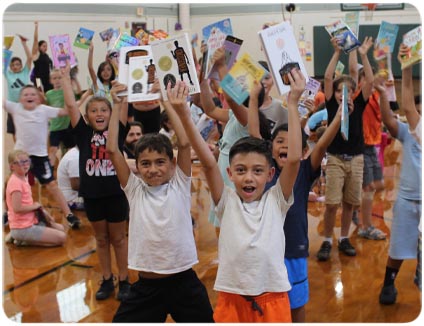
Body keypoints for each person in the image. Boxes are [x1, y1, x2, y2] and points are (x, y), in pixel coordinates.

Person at [173, 65, 304, 321]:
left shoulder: (277, 200)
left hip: (273, 299)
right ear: (230, 174)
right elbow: (209, 162)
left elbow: (294, 159)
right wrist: (184, 115)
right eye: (241, 170)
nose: (248, 177)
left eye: (257, 171)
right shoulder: (227, 200)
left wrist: (293, 103)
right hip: (231, 301)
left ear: (269, 175)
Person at [107, 82, 214, 323]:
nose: (153, 169)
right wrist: (116, 105)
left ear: (172, 164)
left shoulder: (179, 185)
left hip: (184, 284)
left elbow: (184, 143)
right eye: (145, 163)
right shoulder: (135, 190)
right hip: (147, 287)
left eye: (160, 162)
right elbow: (113, 150)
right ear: (137, 166)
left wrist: (165, 99)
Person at [248, 79, 343, 322]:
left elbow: (321, 144)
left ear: (301, 151)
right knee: (264, 304)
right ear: (270, 148)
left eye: (291, 142)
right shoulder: (263, 170)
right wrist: (252, 99)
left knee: (296, 304)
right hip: (264, 250)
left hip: (294, 249)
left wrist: (340, 114)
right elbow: (254, 133)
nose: (285, 144)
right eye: (279, 141)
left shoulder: (303, 169)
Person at [61, 63, 130, 301]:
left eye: (104, 110)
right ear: (87, 116)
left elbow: (122, 100)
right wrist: (65, 79)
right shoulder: (83, 133)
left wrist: (125, 73)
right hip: (92, 194)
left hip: (116, 192)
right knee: (101, 239)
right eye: (94, 111)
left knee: (119, 238)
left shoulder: (118, 130)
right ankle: (107, 279)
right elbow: (71, 104)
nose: (99, 114)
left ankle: (124, 279)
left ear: (111, 114)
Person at [316, 36, 374, 261]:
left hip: (356, 159)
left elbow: (368, 80)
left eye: (348, 91)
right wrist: (336, 52)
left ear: (355, 92)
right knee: (331, 203)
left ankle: (343, 238)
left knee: (350, 202)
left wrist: (364, 55)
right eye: (340, 91)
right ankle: (327, 240)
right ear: (335, 93)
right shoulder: (332, 104)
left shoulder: (359, 104)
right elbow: (329, 77)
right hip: (336, 158)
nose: (344, 95)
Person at [3, 85, 81, 229]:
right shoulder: (16, 108)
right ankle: (7, 213)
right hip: (20, 158)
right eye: (25, 94)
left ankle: (69, 215)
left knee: (52, 185)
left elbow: (65, 110)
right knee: (10, 184)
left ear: (39, 98)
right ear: (20, 99)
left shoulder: (44, 110)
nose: (29, 96)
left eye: (33, 94)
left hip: (40, 157)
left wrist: (78, 95)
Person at [378, 44, 422, 304]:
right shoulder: (412, 129)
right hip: (408, 199)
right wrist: (406, 69)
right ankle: (388, 282)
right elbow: (393, 117)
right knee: (398, 247)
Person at [351, 65, 386, 240]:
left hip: (373, 145)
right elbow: (352, 68)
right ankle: (366, 226)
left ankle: (354, 206)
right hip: (361, 146)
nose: (372, 81)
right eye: (368, 77)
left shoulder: (376, 96)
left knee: (379, 185)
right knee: (369, 187)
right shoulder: (358, 95)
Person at [5, 149, 66, 247]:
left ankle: (20, 238)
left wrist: (42, 212)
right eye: (21, 162)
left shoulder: (23, 178)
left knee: (61, 228)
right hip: (23, 228)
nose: (25, 165)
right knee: (61, 238)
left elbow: (27, 203)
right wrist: (35, 206)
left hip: (31, 222)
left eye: (27, 161)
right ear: (12, 166)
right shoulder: (15, 183)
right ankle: (22, 239)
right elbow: (17, 208)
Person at [4, 34, 32, 142]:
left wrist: (24, 43)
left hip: (24, 105)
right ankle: (17, 149)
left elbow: (29, 58)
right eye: (13, 65)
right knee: (14, 130)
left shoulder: (25, 72)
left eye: (17, 64)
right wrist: (6, 48)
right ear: (10, 67)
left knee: (25, 128)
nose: (15, 66)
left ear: (21, 65)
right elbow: (3, 60)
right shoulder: (8, 74)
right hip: (12, 106)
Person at [45, 68, 76, 167]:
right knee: (53, 149)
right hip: (55, 127)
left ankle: (69, 168)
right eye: (54, 78)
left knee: (70, 150)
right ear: (51, 80)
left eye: (59, 78)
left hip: (67, 126)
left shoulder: (66, 91)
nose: (57, 80)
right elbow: (46, 107)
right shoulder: (48, 94)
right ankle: (49, 173)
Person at [257, 61, 288, 133]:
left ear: (273, 80)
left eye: (267, 78)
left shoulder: (281, 106)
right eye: (258, 77)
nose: (263, 81)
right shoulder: (244, 106)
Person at [57, 146, 84, 211]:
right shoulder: (75, 157)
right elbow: (75, 186)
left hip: (72, 197)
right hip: (71, 200)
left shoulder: (76, 153)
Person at [31, 21, 53, 92]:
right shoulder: (36, 55)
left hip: (48, 79)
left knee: (49, 95)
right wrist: (36, 27)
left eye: (46, 46)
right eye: (44, 46)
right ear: (39, 47)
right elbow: (35, 40)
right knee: (40, 94)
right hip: (38, 80)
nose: (45, 47)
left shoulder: (46, 56)